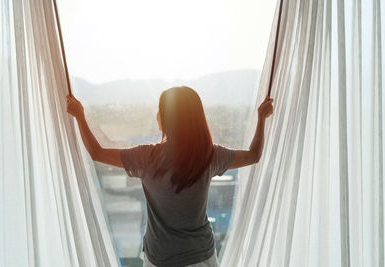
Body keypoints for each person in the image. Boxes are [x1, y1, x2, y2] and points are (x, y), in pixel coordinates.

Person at [66, 86, 273, 267]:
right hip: (201, 256)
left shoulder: (147, 157)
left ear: (167, 117)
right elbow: (254, 155)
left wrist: (80, 116)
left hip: (161, 257)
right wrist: (261, 119)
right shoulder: (208, 155)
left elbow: (97, 153)